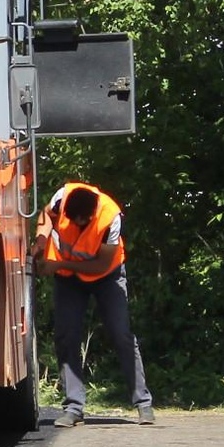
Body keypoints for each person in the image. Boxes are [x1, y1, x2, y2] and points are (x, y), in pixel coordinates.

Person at [37, 180, 153, 425]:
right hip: (69, 280)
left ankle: (143, 404)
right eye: (73, 219)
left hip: (106, 276)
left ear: (91, 214)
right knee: (66, 336)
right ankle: (74, 408)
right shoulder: (63, 196)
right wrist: (40, 241)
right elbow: (46, 215)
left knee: (120, 334)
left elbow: (101, 264)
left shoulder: (111, 217)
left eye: (83, 220)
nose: (78, 224)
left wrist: (59, 264)